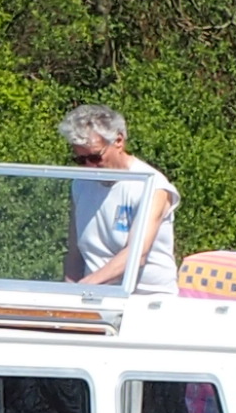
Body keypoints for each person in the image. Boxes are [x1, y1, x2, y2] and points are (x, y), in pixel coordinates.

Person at [60, 106, 179, 292]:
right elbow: (75, 252)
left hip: (146, 298)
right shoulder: (80, 183)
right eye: (81, 160)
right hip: (92, 295)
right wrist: (67, 293)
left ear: (118, 141)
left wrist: (83, 287)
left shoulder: (153, 186)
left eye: (94, 157)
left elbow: (136, 253)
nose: (90, 167)